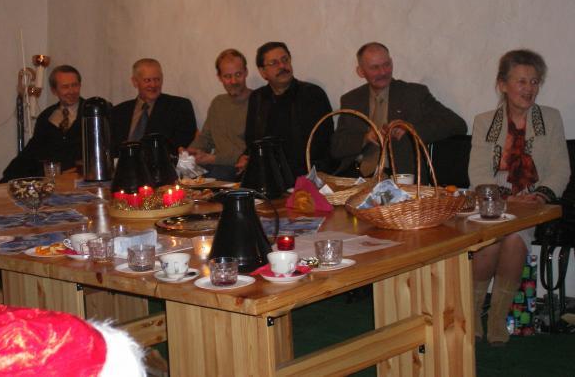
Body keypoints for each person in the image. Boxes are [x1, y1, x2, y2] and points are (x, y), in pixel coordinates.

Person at [469, 49, 569, 344]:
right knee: (489, 240)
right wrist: (503, 199)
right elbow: (478, 171)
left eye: (534, 82)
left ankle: (498, 316)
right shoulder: (484, 121)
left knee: (514, 238)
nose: (529, 89)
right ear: (503, 84)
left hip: (534, 199)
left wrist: (539, 197)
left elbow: (560, 168)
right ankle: (472, 313)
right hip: (492, 198)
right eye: (521, 81)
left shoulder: (551, 118)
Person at [331, 42, 467, 179]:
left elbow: (457, 124)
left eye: (387, 64)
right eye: (375, 67)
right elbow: (336, 148)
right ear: (361, 71)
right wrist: (365, 138)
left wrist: (411, 130)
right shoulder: (351, 100)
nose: (383, 72)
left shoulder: (414, 94)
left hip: (400, 178)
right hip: (356, 176)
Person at [242, 42, 334, 178]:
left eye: (285, 60)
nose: (282, 66)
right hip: (267, 172)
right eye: (274, 63)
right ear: (263, 72)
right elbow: (252, 139)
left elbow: (322, 142)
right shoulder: (258, 98)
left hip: (306, 172)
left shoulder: (312, 94)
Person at [0, 65, 84, 182]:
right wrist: (8, 179)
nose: (71, 91)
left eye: (75, 85)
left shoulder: (92, 112)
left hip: (79, 180)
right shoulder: (46, 117)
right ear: (54, 90)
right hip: (50, 181)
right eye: (65, 87)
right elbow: (32, 152)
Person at [182, 49, 252, 181]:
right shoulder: (218, 103)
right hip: (217, 166)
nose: (233, 81)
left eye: (238, 74)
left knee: (216, 175)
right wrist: (189, 153)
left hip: (240, 169)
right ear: (219, 77)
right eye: (227, 76)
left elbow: (251, 152)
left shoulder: (258, 101)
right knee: (181, 170)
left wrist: (213, 159)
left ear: (246, 72)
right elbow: (205, 138)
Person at [110, 58, 197, 156]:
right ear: (135, 82)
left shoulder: (179, 107)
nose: (153, 85)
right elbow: (111, 147)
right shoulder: (118, 112)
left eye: (157, 79)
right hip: (122, 163)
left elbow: (181, 145)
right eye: (147, 80)